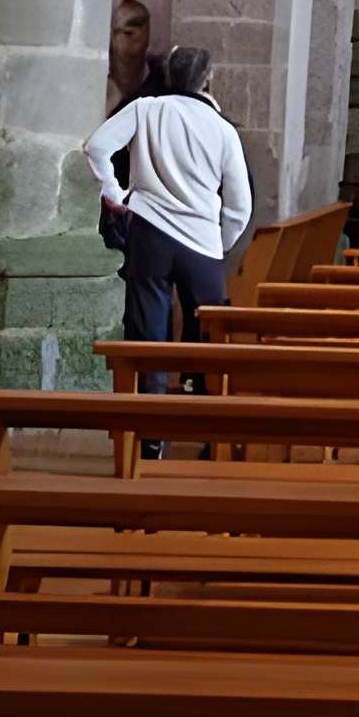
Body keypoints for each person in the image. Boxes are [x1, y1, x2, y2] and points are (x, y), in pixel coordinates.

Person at [84, 47, 252, 433]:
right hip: (203, 244)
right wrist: (221, 242)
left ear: (169, 75)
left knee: (148, 334)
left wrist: (115, 194)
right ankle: (201, 423)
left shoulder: (146, 109)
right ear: (208, 80)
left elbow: (96, 147)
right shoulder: (222, 129)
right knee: (206, 333)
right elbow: (240, 204)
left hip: (149, 233)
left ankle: (150, 433)